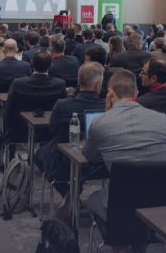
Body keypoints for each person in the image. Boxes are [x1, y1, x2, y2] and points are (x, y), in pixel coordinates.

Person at [83, 70, 166, 253]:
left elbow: (91, 157)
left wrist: (107, 114)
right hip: (160, 206)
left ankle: (120, 246)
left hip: (120, 210)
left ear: (109, 94)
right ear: (136, 93)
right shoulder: (162, 119)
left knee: (94, 198)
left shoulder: (100, 123)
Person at [36, 62, 106, 219]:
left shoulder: (62, 105)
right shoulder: (106, 106)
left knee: (38, 155)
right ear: (98, 85)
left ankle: (70, 193)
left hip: (61, 159)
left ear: (79, 82)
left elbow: (52, 128)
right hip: (97, 163)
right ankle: (73, 192)